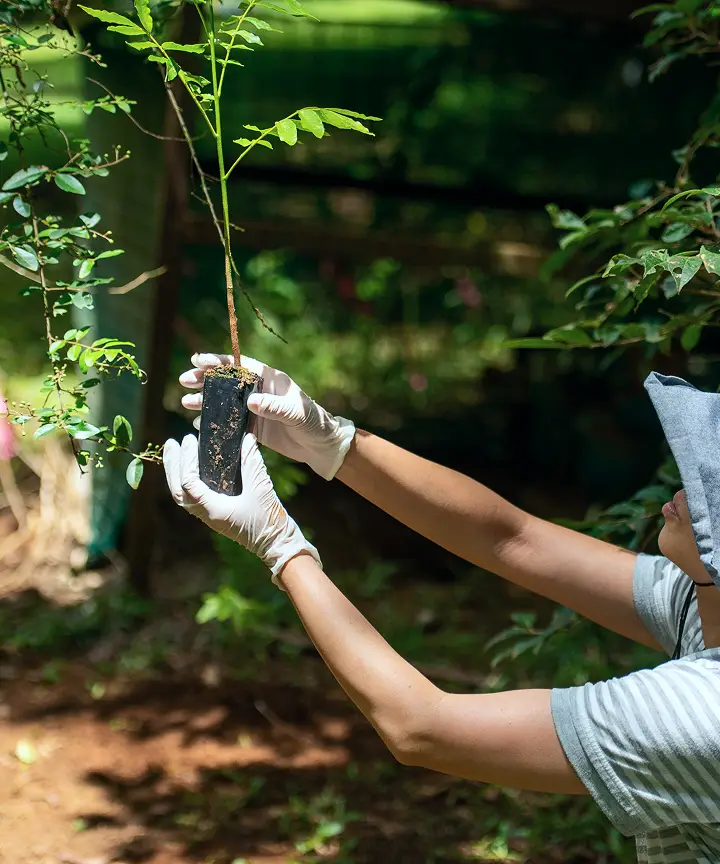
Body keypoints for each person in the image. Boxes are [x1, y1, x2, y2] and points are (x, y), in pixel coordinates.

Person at [164, 354, 720, 864]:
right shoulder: (702, 597)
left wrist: (282, 547)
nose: (684, 481)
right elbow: (514, 539)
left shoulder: (703, 715)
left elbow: (422, 728)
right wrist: (333, 442)